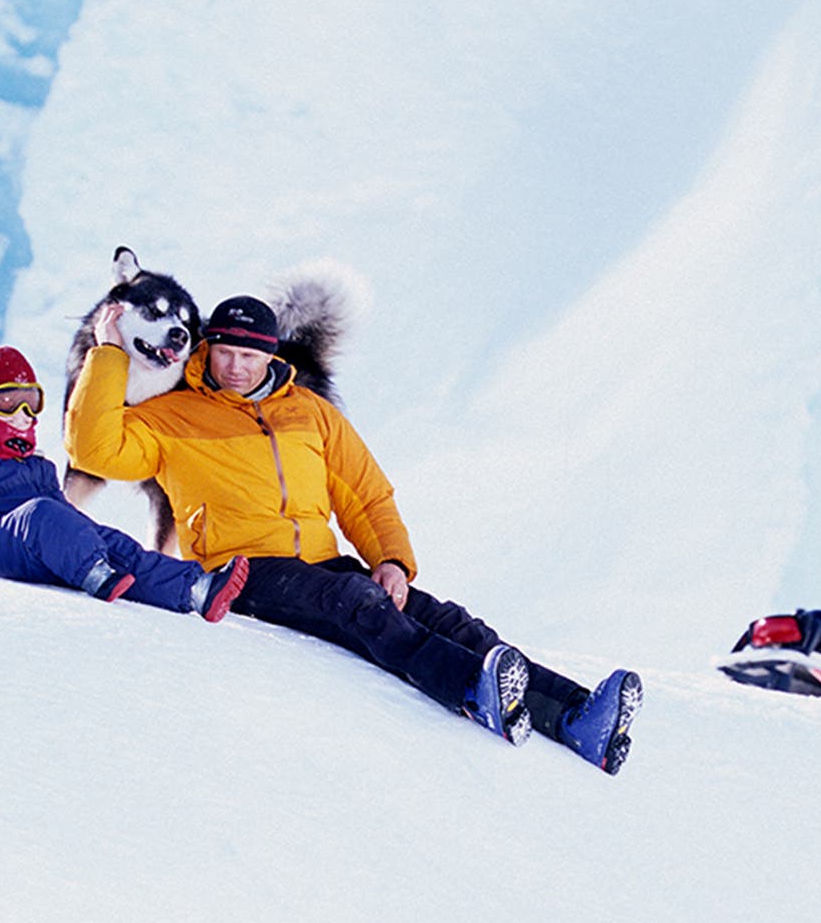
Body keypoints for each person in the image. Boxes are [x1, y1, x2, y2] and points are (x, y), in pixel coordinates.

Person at [68, 295, 639, 773]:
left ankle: (576, 716)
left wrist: (390, 559)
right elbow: (92, 447)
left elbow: (364, 494)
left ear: (269, 357)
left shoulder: (310, 413)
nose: (235, 368)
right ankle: (471, 690)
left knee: (446, 619)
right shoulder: (174, 417)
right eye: (224, 353)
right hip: (241, 572)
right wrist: (108, 351)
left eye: (247, 355)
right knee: (354, 601)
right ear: (207, 351)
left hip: (321, 561)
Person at [0, 345, 251, 621]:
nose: (21, 413)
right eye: (5, 402)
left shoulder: (39, 466)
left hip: (47, 540)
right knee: (43, 514)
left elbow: (64, 517)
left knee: (114, 542)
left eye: (30, 402)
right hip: (0, 541)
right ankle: (93, 573)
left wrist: (88, 533)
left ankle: (195, 590)